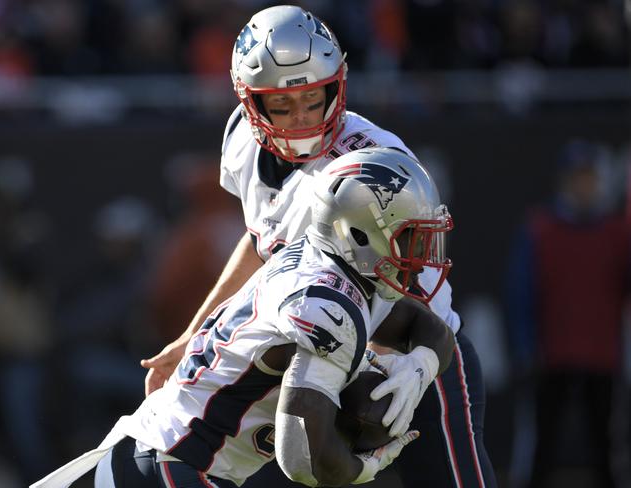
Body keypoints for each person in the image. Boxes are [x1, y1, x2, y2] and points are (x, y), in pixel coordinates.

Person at [141, 6, 496, 487]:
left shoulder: (374, 163)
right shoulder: (242, 140)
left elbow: (420, 280)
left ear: (338, 83)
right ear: (251, 103)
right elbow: (263, 240)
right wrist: (192, 335)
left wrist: (418, 364)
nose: (302, 118)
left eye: (313, 98)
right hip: (321, 364)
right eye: (282, 106)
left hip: (410, 355)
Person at [31, 148, 455, 488]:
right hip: (175, 466)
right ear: (358, 233)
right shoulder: (328, 308)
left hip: (153, 454)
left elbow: (428, 328)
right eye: (410, 239)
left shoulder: (327, 265)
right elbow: (305, 461)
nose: (420, 259)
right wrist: (367, 466)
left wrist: (419, 367)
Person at [507, 140, 631, 488]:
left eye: (590, 178)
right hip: (551, 356)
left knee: (606, 450)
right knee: (540, 451)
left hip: (603, 357)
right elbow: (521, 295)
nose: (584, 186)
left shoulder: (617, 234)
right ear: (565, 181)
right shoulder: (540, 229)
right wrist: (525, 348)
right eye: (578, 178)